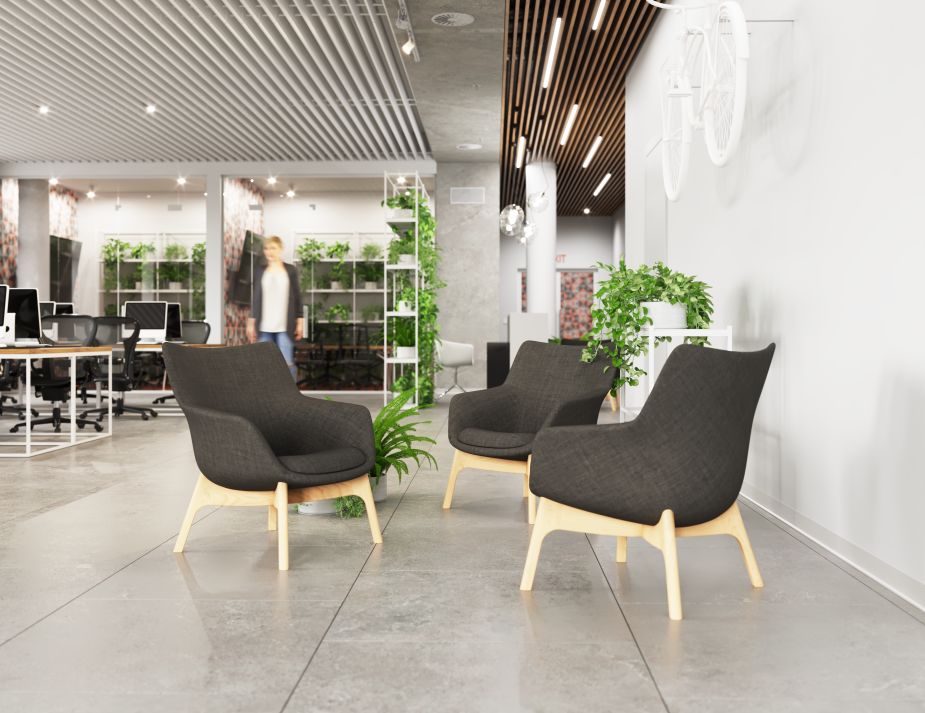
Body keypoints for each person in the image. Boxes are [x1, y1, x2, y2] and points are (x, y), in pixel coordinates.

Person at [246, 235, 302, 376]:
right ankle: (267, 391)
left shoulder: (290, 270)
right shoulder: (260, 270)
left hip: (285, 326)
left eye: (273, 248)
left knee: (286, 365)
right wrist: (251, 323)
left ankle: (290, 391)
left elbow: (297, 297)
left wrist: (300, 322)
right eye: (266, 248)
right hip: (264, 326)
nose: (269, 251)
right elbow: (256, 298)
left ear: (280, 249)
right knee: (264, 367)